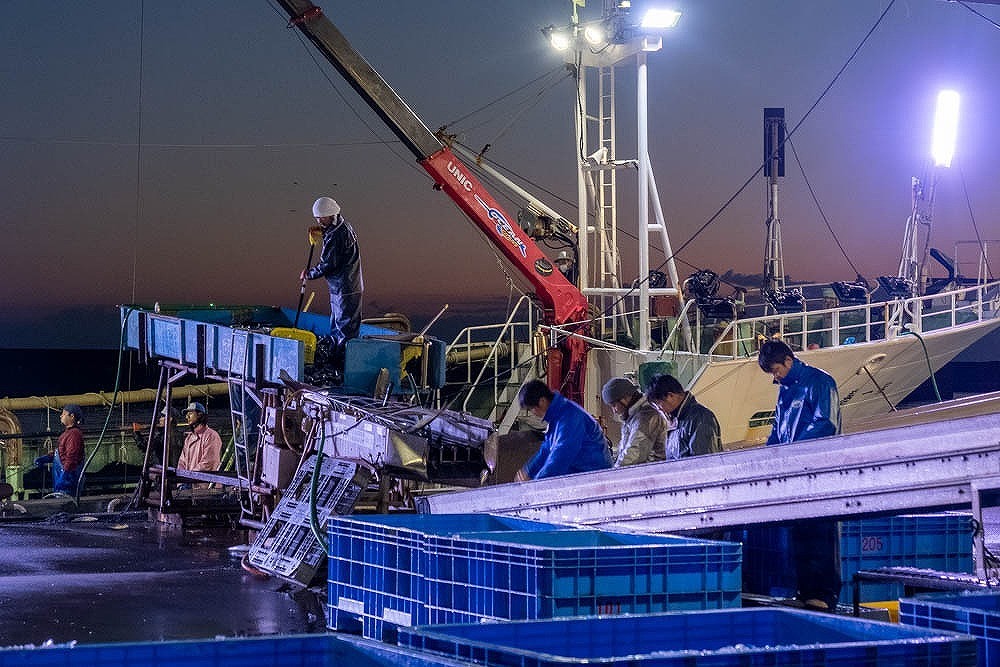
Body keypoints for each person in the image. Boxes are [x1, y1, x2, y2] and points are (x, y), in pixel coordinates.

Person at [758, 338, 842, 611]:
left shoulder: (819, 382)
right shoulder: (786, 388)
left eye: (776, 370)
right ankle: (806, 589)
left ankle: (824, 593)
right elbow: (777, 429)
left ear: (788, 361)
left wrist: (791, 452)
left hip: (818, 471)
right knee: (800, 533)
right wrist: (767, 456)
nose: (775, 376)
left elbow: (825, 423)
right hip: (793, 471)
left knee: (820, 531)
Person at [300, 196, 364, 363]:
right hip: (344, 286)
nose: (319, 220)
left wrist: (309, 274)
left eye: (321, 218)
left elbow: (328, 264)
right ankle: (336, 357)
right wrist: (322, 232)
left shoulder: (336, 237)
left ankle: (342, 364)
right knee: (337, 325)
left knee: (344, 329)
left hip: (345, 288)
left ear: (331, 215)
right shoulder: (344, 227)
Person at [515, 379, 611, 480]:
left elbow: (561, 456)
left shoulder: (570, 417)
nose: (533, 413)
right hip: (582, 478)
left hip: (596, 479)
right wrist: (528, 471)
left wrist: (536, 484)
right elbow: (546, 451)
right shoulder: (556, 420)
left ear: (542, 401)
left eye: (531, 409)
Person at [645, 373, 722, 459]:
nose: (659, 409)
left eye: (658, 403)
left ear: (670, 396)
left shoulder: (700, 418)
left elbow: (704, 462)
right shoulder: (676, 420)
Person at [601, 377, 667, 467]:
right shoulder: (632, 417)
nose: (614, 411)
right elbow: (624, 451)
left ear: (624, 398)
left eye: (614, 405)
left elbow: (634, 455)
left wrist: (611, 474)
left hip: (651, 474)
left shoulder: (646, 417)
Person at [34, 404, 85, 495]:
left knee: (66, 504)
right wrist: (46, 458)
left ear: (72, 416)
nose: (61, 416)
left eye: (64, 414)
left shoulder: (74, 434)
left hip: (69, 479)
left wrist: (64, 476)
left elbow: (71, 457)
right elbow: (62, 453)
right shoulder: (67, 433)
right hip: (64, 477)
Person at [177, 402, 223, 488]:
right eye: (187, 414)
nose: (187, 417)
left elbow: (208, 463)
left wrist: (189, 479)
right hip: (190, 487)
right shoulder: (189, 438)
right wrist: (180, 482)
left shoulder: (211, 435)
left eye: (190, 413)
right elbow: (182, 462)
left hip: (207, 489)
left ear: (199, 414)